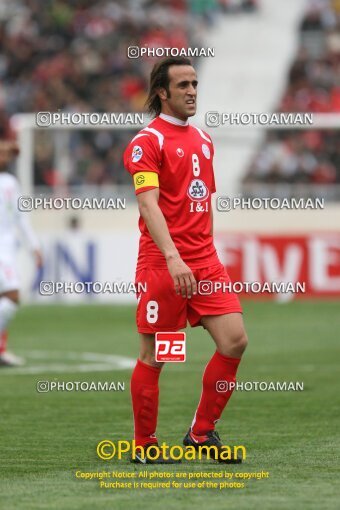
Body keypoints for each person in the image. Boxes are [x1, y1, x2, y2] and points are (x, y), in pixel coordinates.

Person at [123, 57, 248, 464]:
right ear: (163, 92)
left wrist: (201, 254)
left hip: (205, 262)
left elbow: (200, 202)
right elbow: (149, 204)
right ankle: (144, 447)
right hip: (164, 264)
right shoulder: (148, 141)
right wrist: (174, 258)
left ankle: (201, 432)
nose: (193, 91)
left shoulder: (204, 140)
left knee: (234, 341)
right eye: (183, 85)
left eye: (195, 83)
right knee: (158, 355)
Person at [0, 140, 43, 366]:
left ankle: (1, 350)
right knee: (13, 296)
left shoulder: (10, 182)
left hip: (6, 249)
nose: (5, 157)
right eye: (2, 153)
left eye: (7, 154)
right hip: (2, 253)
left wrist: (33, 245)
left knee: (4, 298)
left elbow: (21, 217)